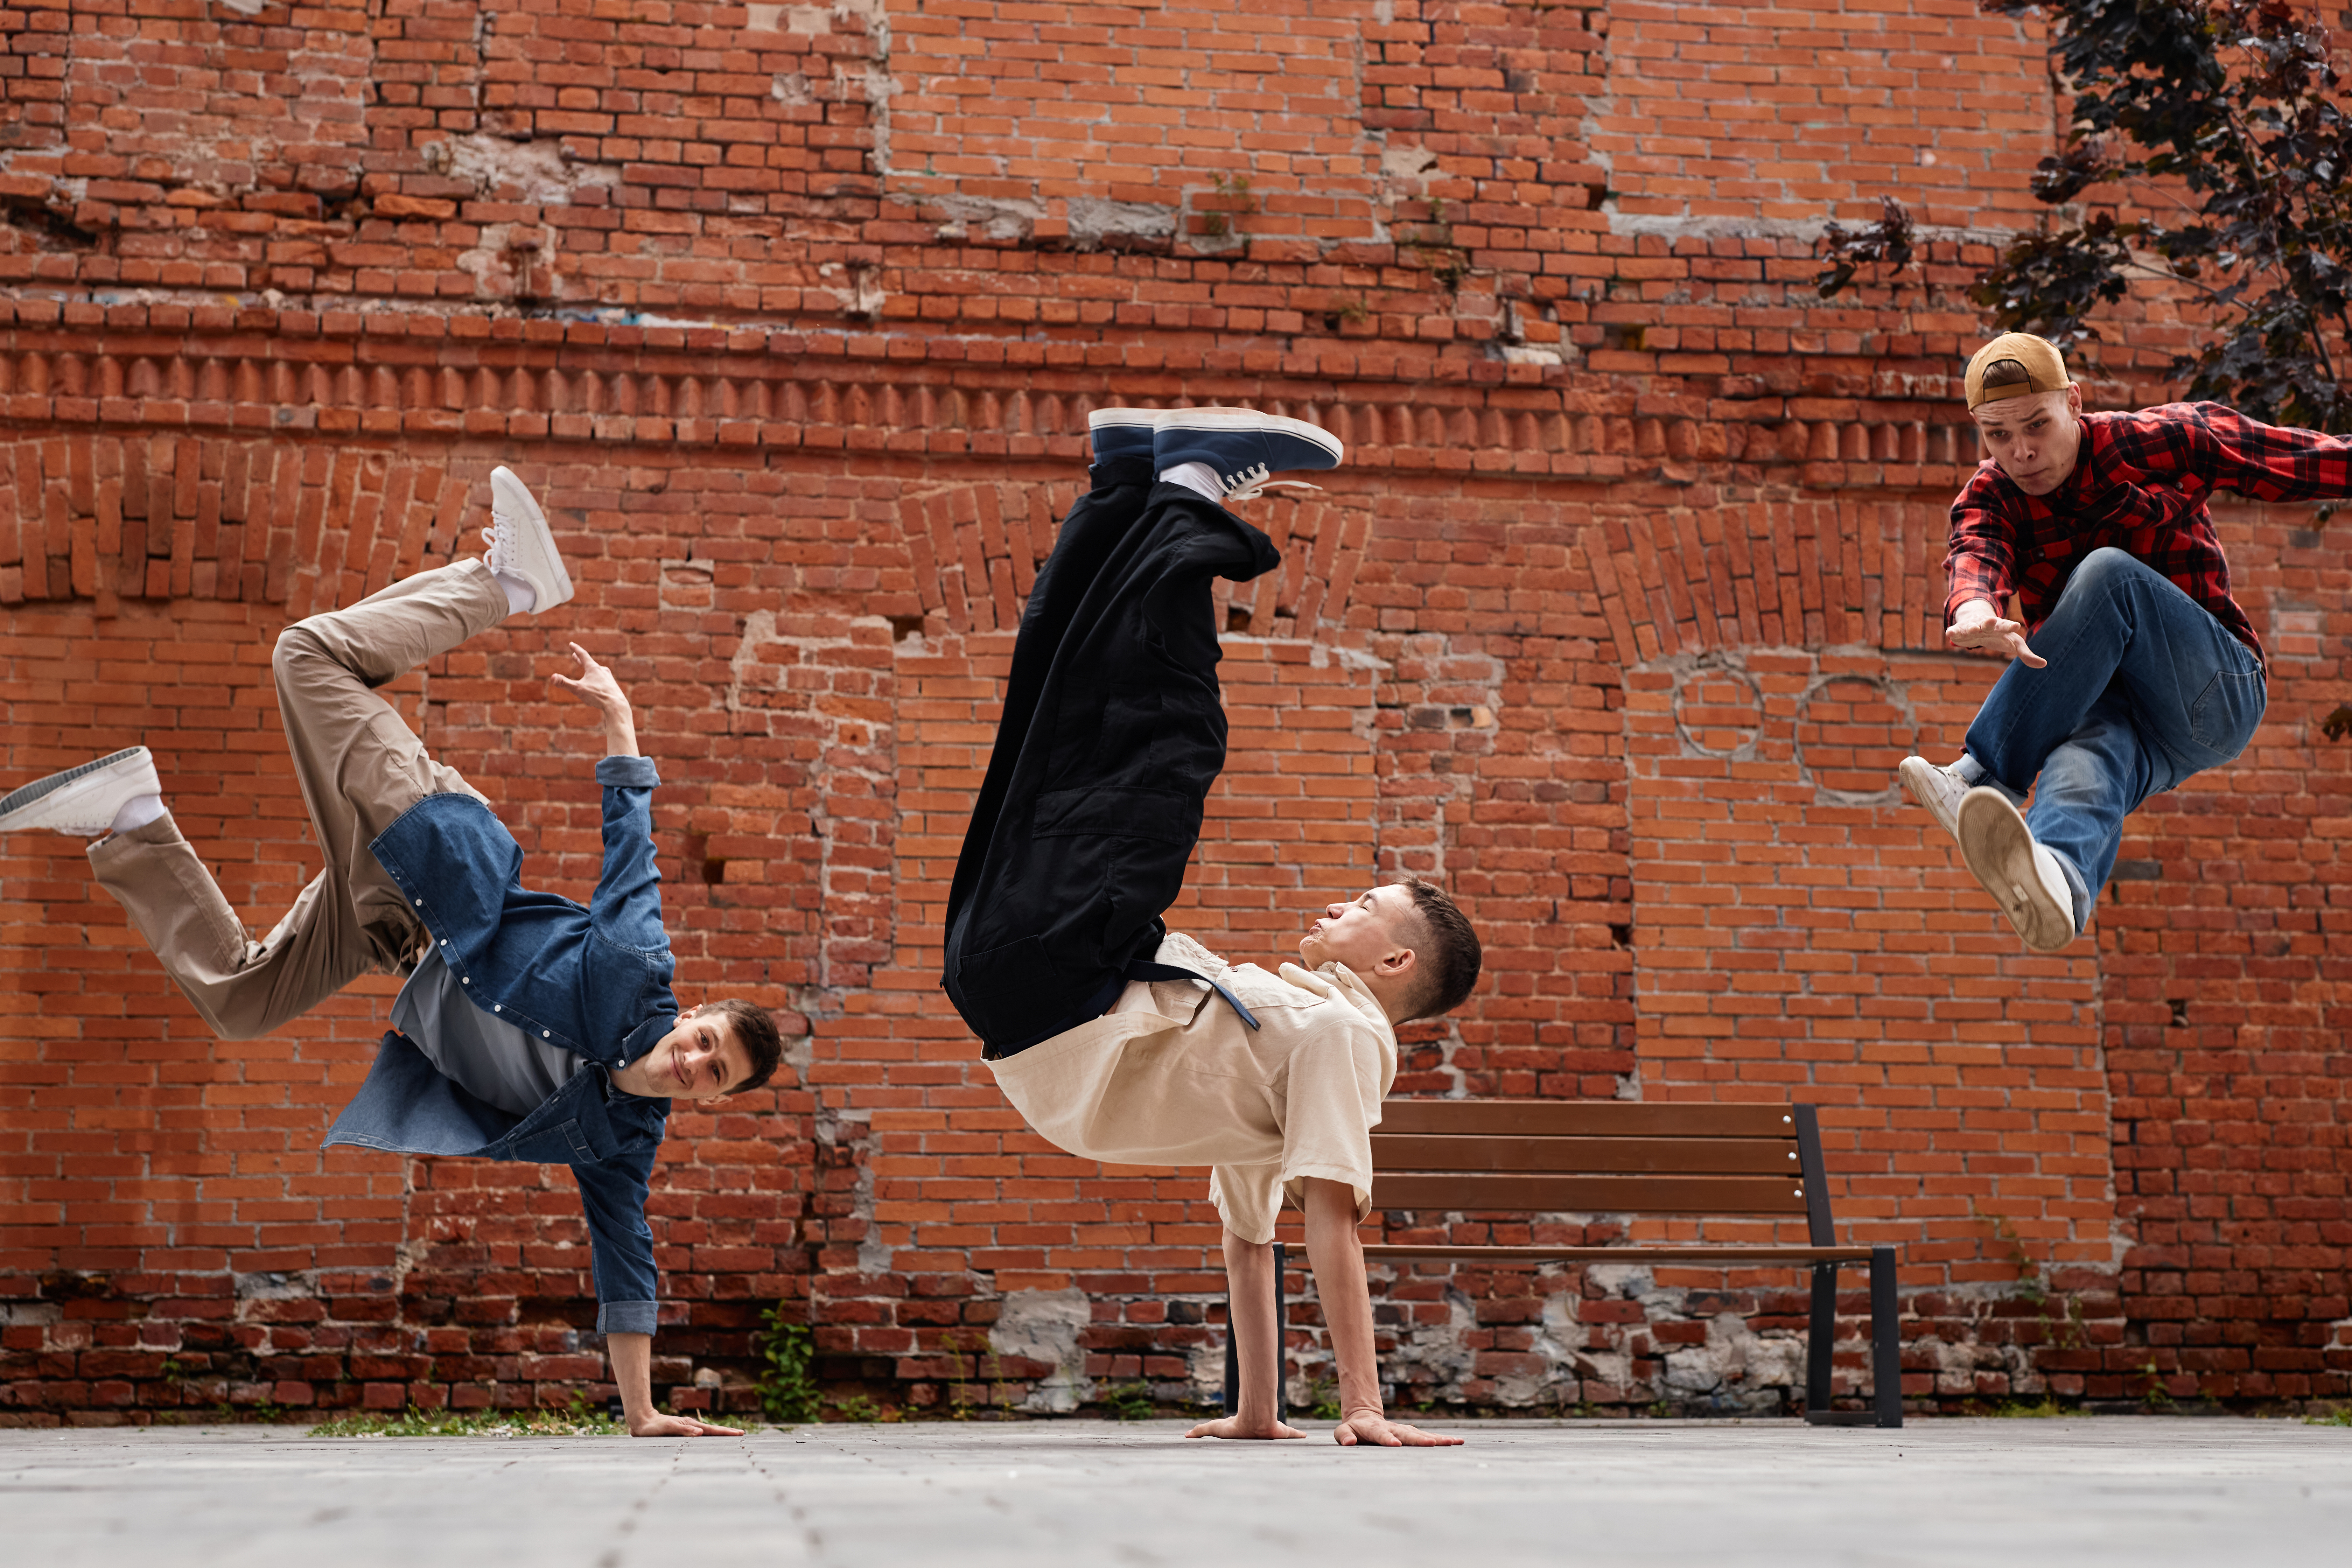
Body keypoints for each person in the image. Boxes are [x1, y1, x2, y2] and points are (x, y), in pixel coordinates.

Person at [0, 468, 782, 1437]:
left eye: (713, 1075)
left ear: (708, 1100)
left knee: (241, 1000)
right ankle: (509, 586)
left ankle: (132, 818)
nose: (695, 1060)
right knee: (308, 656)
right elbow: (633, 854)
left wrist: (643, 1413)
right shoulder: (636, 972)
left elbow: (625, 1259)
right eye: (707, 1038)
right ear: (694, 1013)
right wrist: (622, 727)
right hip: (446, 856)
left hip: (395, 930)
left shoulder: (620, 1140)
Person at [941, 406, 1484, 1448]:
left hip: (1064, 983)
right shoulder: (1278, 1062)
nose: (1342, 902)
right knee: (1052, 720)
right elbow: (1249, 1241)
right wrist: (1255, 1411)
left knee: (1167, 737)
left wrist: (1364, 1408)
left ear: (1397, 960)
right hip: (1018, 990)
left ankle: (1192, 489)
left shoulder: (1339, 1039)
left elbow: (1329, 1226)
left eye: (1367, 907)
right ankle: (1122, 480)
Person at [1899, 332, 2352, 950]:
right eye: (1999, 436)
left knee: (2108, 575)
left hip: (2216, 690)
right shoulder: (1992, 494)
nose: (2023, 452)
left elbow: (2292, 459)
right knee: (2082, 758)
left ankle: (1984, 775)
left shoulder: (2158, 441)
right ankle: (2062, 878)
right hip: (2140, 723)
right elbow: (1976, 551)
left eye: (2038, 425)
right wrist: (1975, 609)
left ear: (2075, 403)